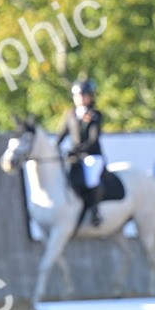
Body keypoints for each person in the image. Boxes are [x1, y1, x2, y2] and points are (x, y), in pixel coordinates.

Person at [56, 80, 106, 226]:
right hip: (75, 157)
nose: (81, 99)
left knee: (91, 178)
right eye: (78, 96)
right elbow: (61, 134)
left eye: (84, 95)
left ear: (90, 97)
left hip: (91, 155)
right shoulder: (70, 114)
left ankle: (95, 211)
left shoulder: (95, 115)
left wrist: (77, 150)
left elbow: (93, 139)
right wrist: (56, 147)